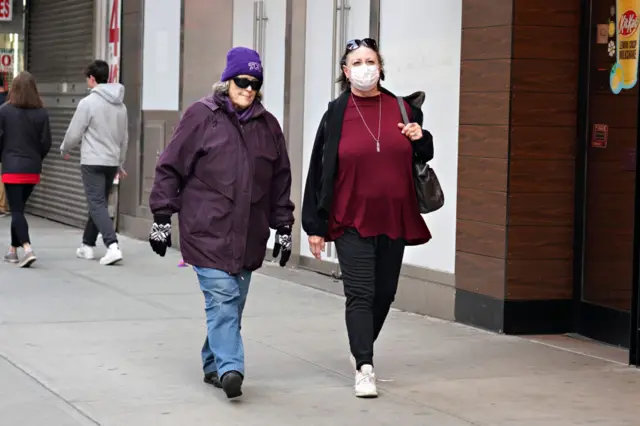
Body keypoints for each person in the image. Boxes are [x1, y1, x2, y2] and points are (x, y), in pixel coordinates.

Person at [148, 47, 295, 399]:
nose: (248, 88)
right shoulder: (202, 116)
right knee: (223, 298)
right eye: (242, 81)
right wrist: (161, 218)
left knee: (233, 304)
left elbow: (280, 181)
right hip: (206, 229)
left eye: (255, 83)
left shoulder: (268, 126)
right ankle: (231, 368)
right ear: (228, 80)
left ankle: (213, 363)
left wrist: (285, 228)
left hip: (248, 233)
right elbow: (171, 165)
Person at [301, 38, 434, 398]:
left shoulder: (403, 109)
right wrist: (315, 227)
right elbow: (318, 171)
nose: (364, 67)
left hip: (394, 215)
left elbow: (425, 151)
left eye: (370, 61)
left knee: (385, 293)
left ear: (380, 67)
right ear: (346, 72)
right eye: (356, 62)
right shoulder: (336, 114)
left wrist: (420, 137)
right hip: (350, 218)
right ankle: (365, 365)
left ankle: (360, 345)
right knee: (359, 293)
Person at [60, 60, 128, 266]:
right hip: (111, 161)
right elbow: (124, 137)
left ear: (92, 79)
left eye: (87, 79)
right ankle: (87, 246)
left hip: (92, 160)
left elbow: (75, 131)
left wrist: (65, 147)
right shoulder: (121, 105)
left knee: (96, 203)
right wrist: (120, 162)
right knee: (98, 203)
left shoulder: (87, 103)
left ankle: (112, 245)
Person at [0, 71, 52, 267]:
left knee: (17, 211)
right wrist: (36, 158)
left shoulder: (4, 111)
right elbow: (46, 142)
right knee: (18, 209)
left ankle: (27, 248)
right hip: (32, 169)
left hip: (11, 168)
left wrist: (3, 157)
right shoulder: (41, 113)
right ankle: (12, 251)